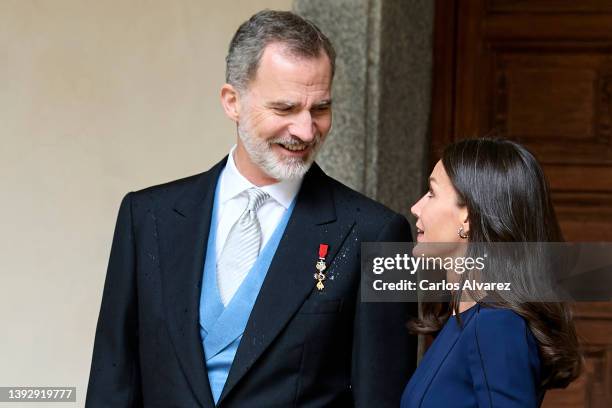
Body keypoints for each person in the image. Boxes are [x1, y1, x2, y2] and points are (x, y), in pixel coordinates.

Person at [86, 10, 417, 408]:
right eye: (284, 108)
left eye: (321, 108)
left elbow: (380, 397)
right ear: (232, 102)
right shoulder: (145, 217)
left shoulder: (380, 233)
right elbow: (112, 380)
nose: (306, 130)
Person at [401, 138, 582, 407]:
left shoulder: (496, 323)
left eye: (431, 192)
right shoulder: (464, 317)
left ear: (469, 217)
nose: (416, 207)